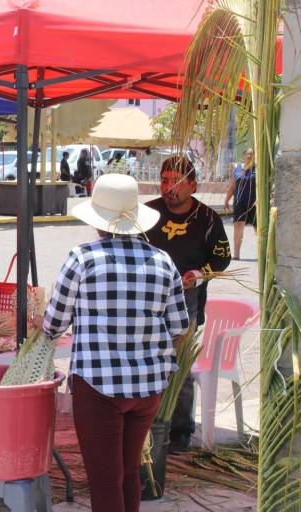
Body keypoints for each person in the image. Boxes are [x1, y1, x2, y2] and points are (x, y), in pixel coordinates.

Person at [42, 174, 189, 512]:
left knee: (104, 481)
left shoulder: (82, 258)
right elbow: (180, 326)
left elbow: (53, 324)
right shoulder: (163, 261)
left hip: (99, 386)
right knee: (127, 474)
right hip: (148, 387)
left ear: (99, 222)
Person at [146, 156, 231, 451]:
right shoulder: (148, 213)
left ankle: (180, 430)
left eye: (178, 182)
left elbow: (222, 259)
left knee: (179, 367)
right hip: (147, 298)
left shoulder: (208, 219)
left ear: (193, 185)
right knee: (146, 361)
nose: (170, 188)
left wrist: (198, 275)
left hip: (187, 298)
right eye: (165, 180)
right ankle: (146, 424)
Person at [224, 148, 256, 260]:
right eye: (247, 154)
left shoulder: (257, 169)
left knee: (258, 228)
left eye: (251, 154)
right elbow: (232, 186)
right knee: (238, 227)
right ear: (243, 156)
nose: (249, 156)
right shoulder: (237, 169)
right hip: (239, 202)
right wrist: (226, 200)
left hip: (254, 203)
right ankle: (236, 254)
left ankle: (263, 252)